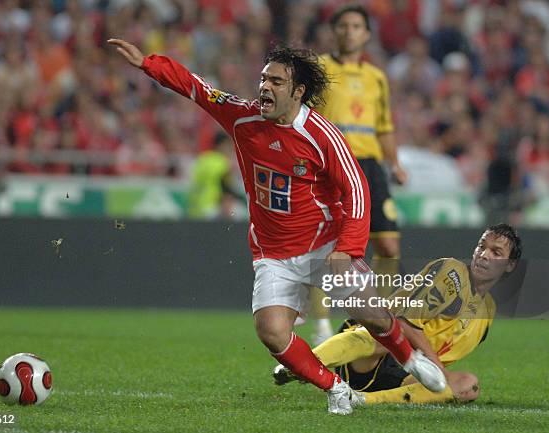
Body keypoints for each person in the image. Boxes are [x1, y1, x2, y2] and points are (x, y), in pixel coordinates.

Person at [108, 38, 445, 415]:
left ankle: (410, 358)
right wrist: (149, 64)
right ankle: (336, 389)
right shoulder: (241, 116)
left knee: (369, 311)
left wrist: (347, 249)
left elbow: (357, 190)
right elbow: (197, 89)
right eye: (263, 80)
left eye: (276, 82)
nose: (265, 88)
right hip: (274, 252)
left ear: (298, 92)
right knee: (271, 331)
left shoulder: (322, 135)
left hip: (324, 244)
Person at [274, 223, 522, 406]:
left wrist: (439, 375)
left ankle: (362, 400)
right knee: (382, 337)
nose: (484, 255)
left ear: (509, 265)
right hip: (376, 347)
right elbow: (405, 323)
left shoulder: (487, 310)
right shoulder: (453, 273)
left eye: (496, 252)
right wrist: (441, 372)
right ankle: (300, 364)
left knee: (469, 385)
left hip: (406, 373)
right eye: (482, 246)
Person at [309, 5, 410, 344]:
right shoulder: (319, 69)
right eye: (344, 25)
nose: (350, 31)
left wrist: (394, 163)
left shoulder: (377, 77)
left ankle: (378, 315)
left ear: (367, 34)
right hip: (334, 161)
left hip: (370, 164)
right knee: (330, 245)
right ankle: (322, 321)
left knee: (388, 242)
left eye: (357, 26)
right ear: (334, 31)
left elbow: (384, 127)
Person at [187, 131, 242, 219]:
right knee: (239, 212)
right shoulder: (222, 162)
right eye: (228, 145)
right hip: (213, 205)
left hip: (196, 207)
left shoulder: (202, 159)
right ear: (221, 145)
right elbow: (225, 186)